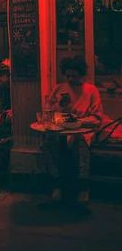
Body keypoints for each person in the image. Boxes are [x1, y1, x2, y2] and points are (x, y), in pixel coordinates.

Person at [42, 56, 103, 204]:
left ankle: (83, 187)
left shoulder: (91, 90)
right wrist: (60, 106)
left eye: (74, 76)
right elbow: (48, 112)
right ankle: (57, 184)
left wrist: (80, 121)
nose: (70, 79)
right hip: (61, 129)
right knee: (49, 142)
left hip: (82, 130)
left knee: (79, 142)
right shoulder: (58, 89)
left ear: (82, 75)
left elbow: (97, 117)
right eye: (68, 75)